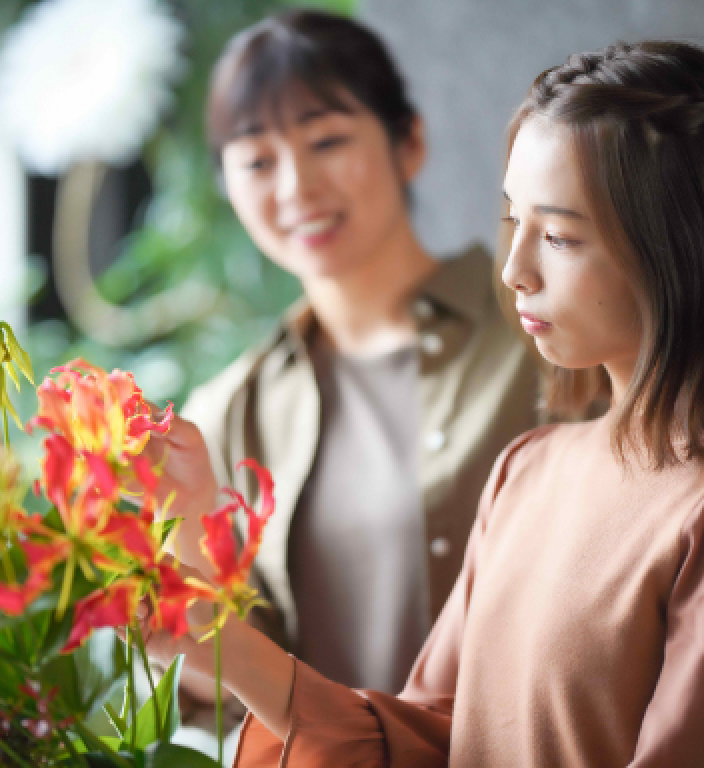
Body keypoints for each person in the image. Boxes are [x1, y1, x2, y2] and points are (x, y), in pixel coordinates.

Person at [146, 40, 704, 767]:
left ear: (676, 248)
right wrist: (214, 631)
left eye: (558, 237)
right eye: (513, 221)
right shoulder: (525, 470)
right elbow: (427, 738)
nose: (514, 270)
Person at [175, 7, 541, 707]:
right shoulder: (224, 416)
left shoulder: (538, 335)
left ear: (410, 142)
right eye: (257, 160)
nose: (296, 188)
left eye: (327, 140)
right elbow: (217, 699)